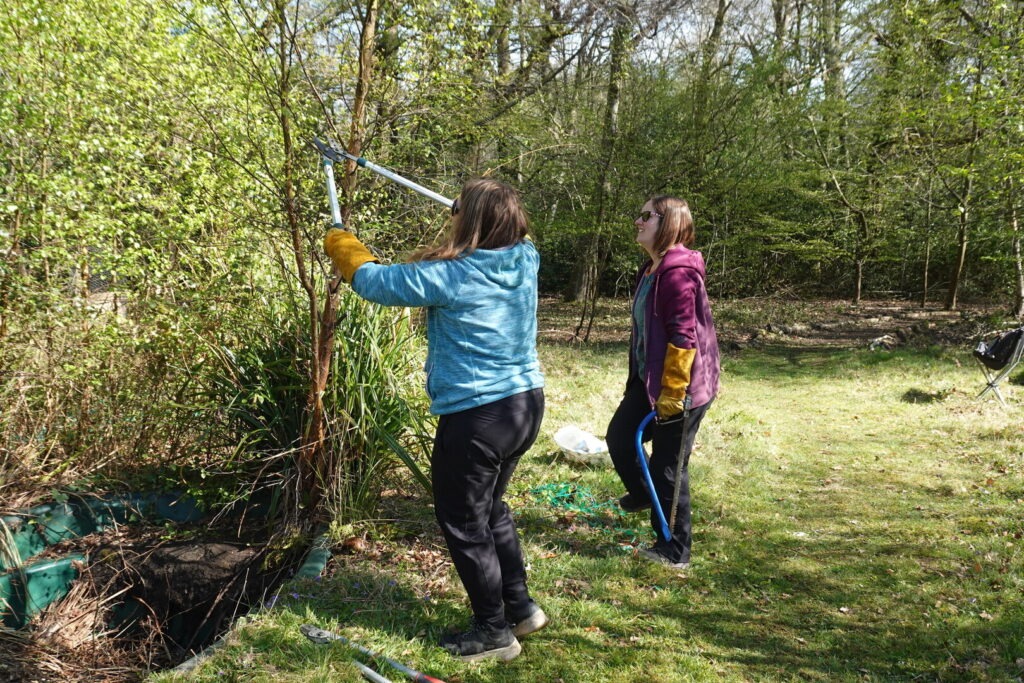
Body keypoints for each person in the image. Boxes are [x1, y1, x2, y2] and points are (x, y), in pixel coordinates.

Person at [323, 178, 547, 662]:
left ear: (469, 220)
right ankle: (521, 608)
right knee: (490, 511)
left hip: (478, 415)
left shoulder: (454, 275)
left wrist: (341, 240)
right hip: (524, 406)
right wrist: (474, 207)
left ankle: (494, 632)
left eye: (459, 212)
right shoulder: (526, 258)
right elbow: (503, 229)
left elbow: (375, 282)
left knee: (465, 521)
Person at [605, 195, 720, 570]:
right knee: (620, 437)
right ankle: (643, 494)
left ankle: (675, 549)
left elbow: (683, 336)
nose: (637, 222)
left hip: (681, 385)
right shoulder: (651, 269)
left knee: (668, 467)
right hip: (651, 379)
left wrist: (674, 392)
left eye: (646, 216)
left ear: (668, 222)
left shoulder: (677, 273)